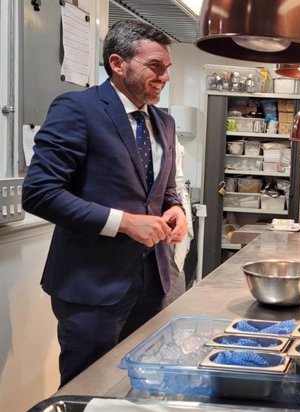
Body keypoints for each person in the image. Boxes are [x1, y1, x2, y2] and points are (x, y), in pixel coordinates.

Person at [22, 19, 187, 387]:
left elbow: (162, 189)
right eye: (155, 66)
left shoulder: (165, 122)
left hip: (153, 284)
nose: (164, 77)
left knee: (138, 386)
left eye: (167, 68)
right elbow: (39, 192)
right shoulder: (77, 109)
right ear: (118, 63)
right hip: (93, 287)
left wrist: (174, 209)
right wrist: (124, 222)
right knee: (88, 390)